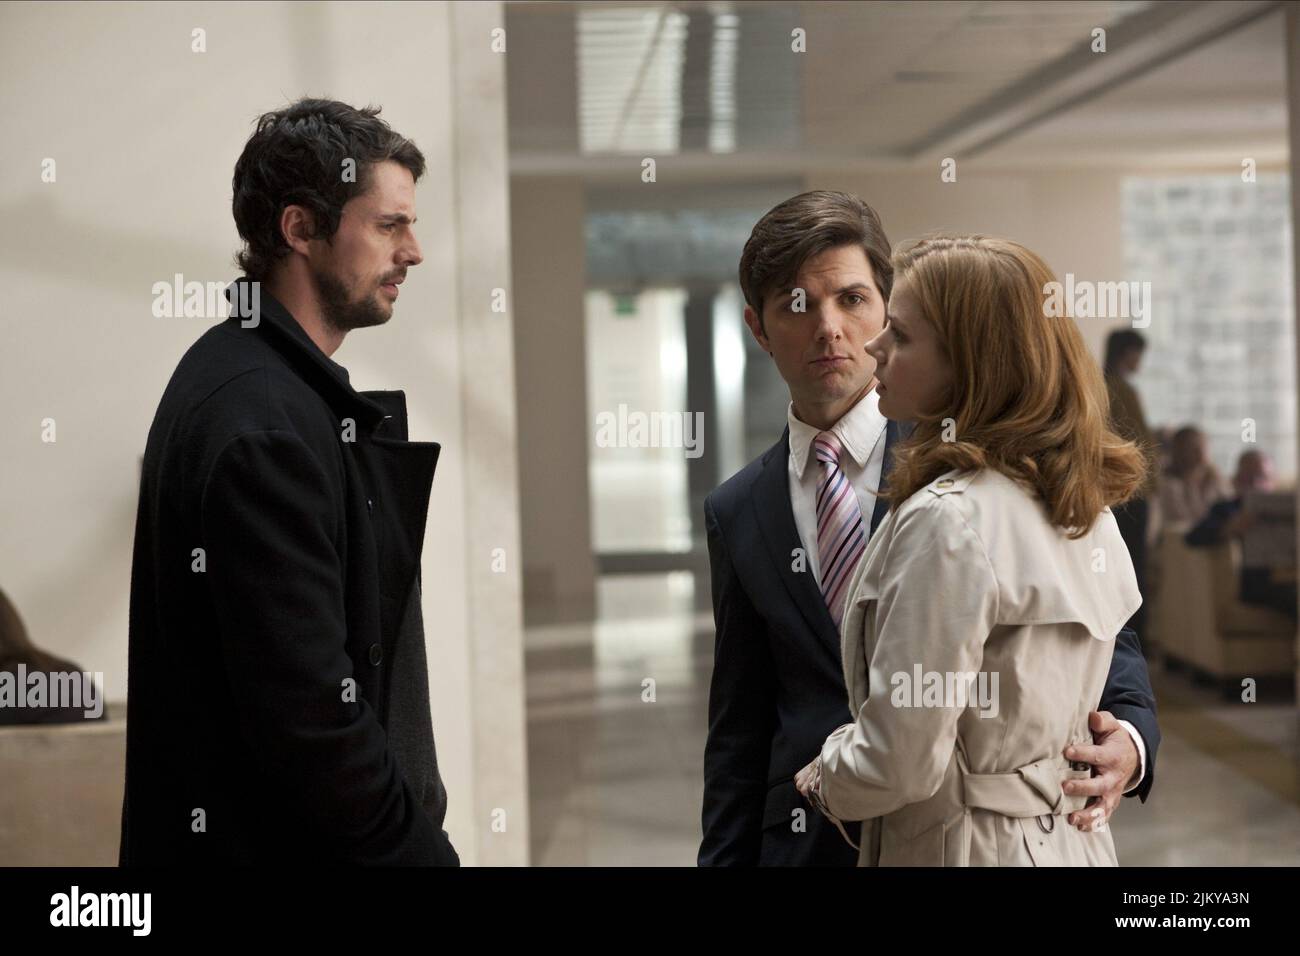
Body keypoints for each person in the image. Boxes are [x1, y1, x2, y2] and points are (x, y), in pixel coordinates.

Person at [699, 194, 1159, 867]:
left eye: (854, 300)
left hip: (958, 834)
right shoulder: (737, 508)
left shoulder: (1008, 480)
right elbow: (737, 729)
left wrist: (1133, 741)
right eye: (797, 306)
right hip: (804, 845)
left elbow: (1098, 642)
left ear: (887, 305)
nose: (832, 329)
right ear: (759, 328)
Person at [120, 99, 458, 865]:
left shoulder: (251, 381)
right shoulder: (262, 421)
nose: (414, 251)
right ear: (299, 229)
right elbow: (311, 719)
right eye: (388, 224)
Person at [1186, 450, 1296, 620]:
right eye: (1248, 478)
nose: (1256, 483)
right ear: (1236, 481)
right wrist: (1230, 527)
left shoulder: (1288, 507)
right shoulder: (1227, 508)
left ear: (1272, 481)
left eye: (1262, 477)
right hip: (1259, 582)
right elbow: (1193, 537)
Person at [1103, 328, 1156, 639]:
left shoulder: (1098, 386)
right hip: (1131, 490)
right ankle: (1135, 641)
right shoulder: (1122, 390)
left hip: (1111, 491)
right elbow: (1141, 442)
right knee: (1134, 569)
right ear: (1127, 353)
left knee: (1116, 568)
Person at [1160, 425, 1226, 525]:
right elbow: (1182, 520)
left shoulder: (1214, 478)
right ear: (1180, 451)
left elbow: (1229, 509)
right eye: (1194, 447)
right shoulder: (1170, 484)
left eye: (1203, 446)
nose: (1201, 452)